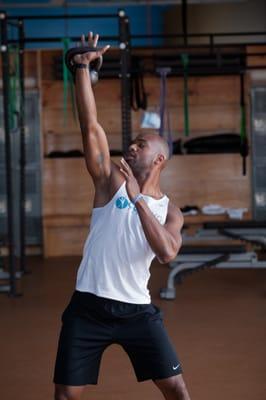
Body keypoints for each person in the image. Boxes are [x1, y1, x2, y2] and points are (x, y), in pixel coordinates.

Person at [53, 32, 191, 400]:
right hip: (88, 305)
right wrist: (83, 68)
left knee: (177, 389)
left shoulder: (170, 211)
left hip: (137, 311)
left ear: (159, 159)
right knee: (66, 395)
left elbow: (166, 253)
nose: (131, 146)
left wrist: (138, 201)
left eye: (141, 145)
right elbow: (91, 127)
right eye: (132, 143)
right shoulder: (108, 181)